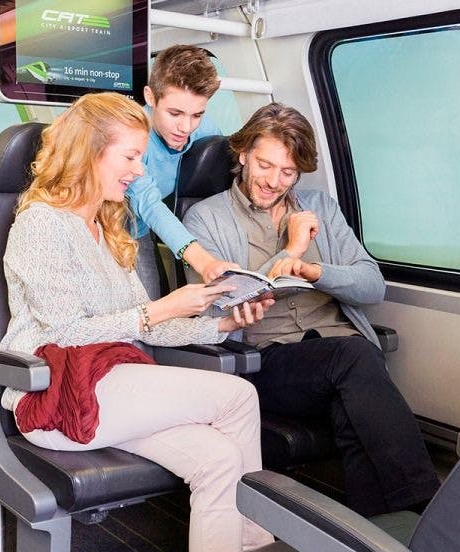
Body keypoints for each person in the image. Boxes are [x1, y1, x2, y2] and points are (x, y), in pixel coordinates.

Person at [0, 92, 274, 552]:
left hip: (115, 385)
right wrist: (158, 309)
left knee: (219, 459)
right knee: (239, 396)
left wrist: (218, 322)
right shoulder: (41, 224)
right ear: (87, 153)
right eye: (128, 157)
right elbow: (62, 335)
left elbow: (147, 324)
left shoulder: (105, 227)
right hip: (58, 394)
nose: (138, 170)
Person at [183, 103, 440, 517]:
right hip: (266, 360)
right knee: (356, 357)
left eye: (287, 173)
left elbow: (373, 285)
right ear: (244, 153)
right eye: (265, 165)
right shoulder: (204, 219)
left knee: (353, 408)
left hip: (339, 357)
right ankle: (429, 512)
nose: (273, 182)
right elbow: (214, 312)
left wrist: (314, 270)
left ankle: (379, 538)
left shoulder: (320, 207)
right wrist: (289, 252)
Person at [127, 45, 236, 298]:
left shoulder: (205, 129)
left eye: (196, 114)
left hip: (139, 230)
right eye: (174, 113)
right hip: (105, 228)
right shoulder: (133, 135)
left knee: (152, 317)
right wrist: (202, 261)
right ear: (150, 97)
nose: (185, 127)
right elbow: (148, 203)